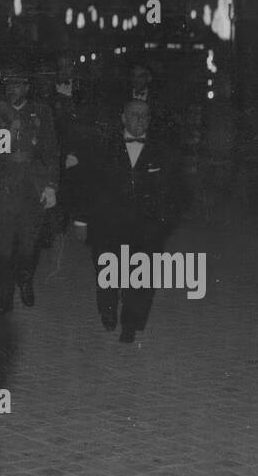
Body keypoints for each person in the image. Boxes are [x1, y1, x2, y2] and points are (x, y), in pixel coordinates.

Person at [72, 99, 179, 343]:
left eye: (144, 116)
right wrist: (81, 219)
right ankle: (108, 310)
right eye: (134, 115)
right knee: (107, 272)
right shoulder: (103, 146)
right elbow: (87, 186)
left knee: (139, 277)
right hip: (107, 224)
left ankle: (130, 324)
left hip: (145, 228)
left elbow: (174, 192)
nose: (139, 121)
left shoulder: (162, 151)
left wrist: (163, 222)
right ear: (123, 118)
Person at [0, 65, 58, 313]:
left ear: (27, 87)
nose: (12, 89)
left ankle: (25, 281)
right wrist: (13, 129)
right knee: (4, 245)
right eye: (8, 84)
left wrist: (51, 186)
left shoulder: (42, 111)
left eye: (18, 84)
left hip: (33, 186)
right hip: (5, 187)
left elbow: (50, 150)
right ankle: (5, 293)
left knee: (29, 243)